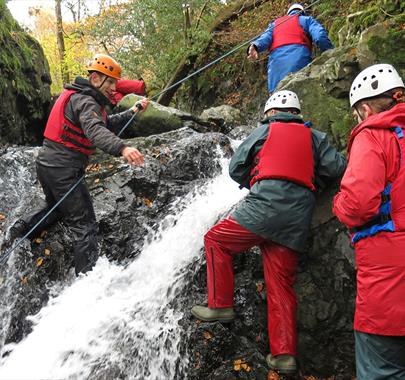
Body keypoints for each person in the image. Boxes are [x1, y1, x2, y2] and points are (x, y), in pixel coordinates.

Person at [191, 90, 346, 374]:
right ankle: (284, 355)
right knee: (280, 284)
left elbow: (236, 166)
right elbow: (337, 167)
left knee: (216, 240)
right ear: (298, 113)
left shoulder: (264, 130)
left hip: (263, 205)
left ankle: (220, 305)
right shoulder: (316, 137)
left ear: (270, 113)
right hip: (298, 215)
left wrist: (257, 182)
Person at [8, 53, 149, 276]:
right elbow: (95, 131)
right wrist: (123, 148)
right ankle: (87, 283)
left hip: (47, 164)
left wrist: (133, 111)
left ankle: (19, 229)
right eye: (110, 82)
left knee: (57, 207)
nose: (114, 88)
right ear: (95, 79)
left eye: (114, 82)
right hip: (63, 169)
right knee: (85, 226)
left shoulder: (81, 98)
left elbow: (106, 123)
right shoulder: (85, 100)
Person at [333, 63, 405, 379]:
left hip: (389, 277)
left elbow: (357, 204)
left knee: (382, 370)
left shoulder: (373, 135)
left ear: (364, 108)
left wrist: (337, 204)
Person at [247, 3, 333, 94]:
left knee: (277, 101)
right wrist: (330, 53)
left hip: (275, 71)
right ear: (302, 12)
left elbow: (264, 38)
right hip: (298, 62)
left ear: (288, 13)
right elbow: (320, 37)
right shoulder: (306, 20)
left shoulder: (275, 24)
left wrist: (255, 46)